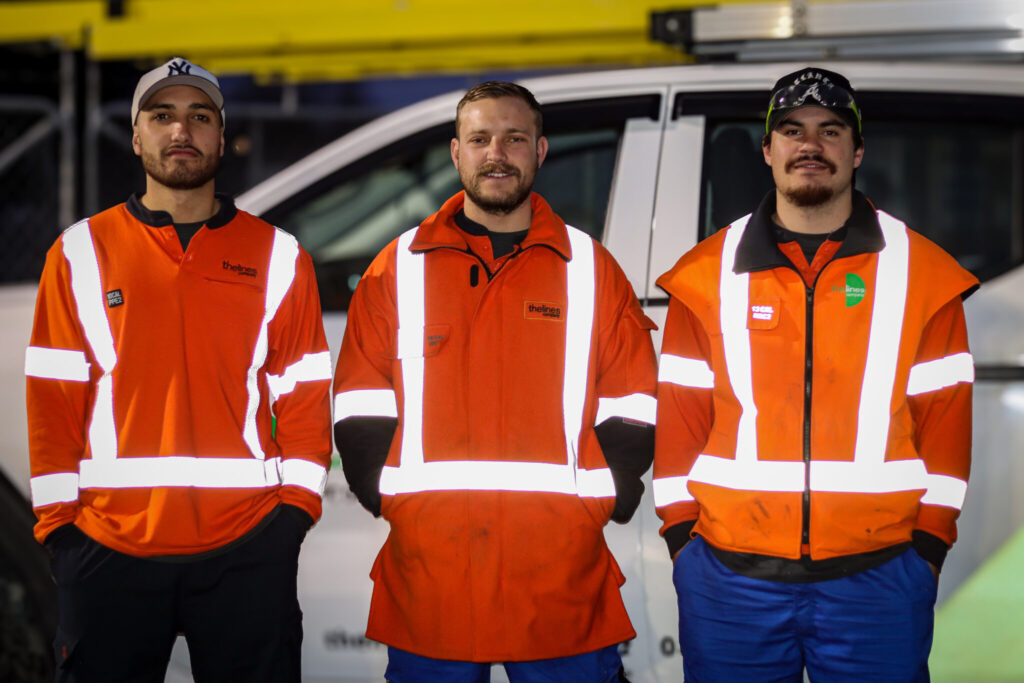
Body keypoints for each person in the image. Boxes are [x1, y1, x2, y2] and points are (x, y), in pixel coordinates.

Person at [653, 67, 977, 681]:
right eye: (793, 130)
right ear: (768, 150)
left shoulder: (924, 274)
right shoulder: (704, 276)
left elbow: (947, 424)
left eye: (831, 131)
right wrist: (683, 543)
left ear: (857, 152)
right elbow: (680, 423)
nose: (811, 146)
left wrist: (928, 549)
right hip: (728, 581)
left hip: (878, 580)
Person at [332, 81, 658, 682]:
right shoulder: (396, 268)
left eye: (514, 138)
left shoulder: (590, 268)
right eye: (480, 139)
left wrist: (606, 495)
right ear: (456, 153)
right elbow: (359, 398)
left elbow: (633, 396)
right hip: (431, 574)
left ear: (541, 150)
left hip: (561, 576)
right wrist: (388, 498)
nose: (497, 153)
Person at [25, 57, 332, 682]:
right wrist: (61, 531)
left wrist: (293, 515)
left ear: (222, 135)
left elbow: (305, 394)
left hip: (247, 549)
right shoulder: (79, 252)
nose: (180, 131)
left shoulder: (278, 255)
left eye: (199, 117)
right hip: (108, 549)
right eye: (161, 116)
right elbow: (53, 397)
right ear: (137, 137)